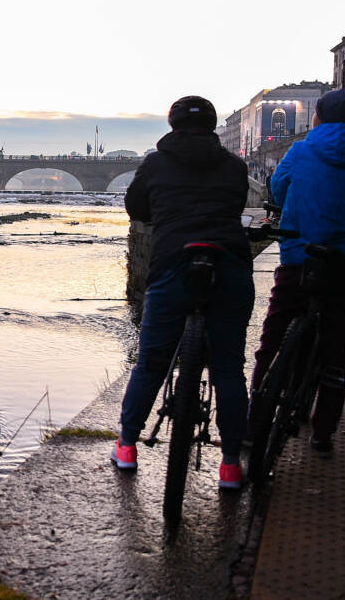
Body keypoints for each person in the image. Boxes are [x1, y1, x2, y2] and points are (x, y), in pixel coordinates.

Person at [112, 95, 253, 489]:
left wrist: (165, 213)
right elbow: (237, 203)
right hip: (228, 264)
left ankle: (126, 445)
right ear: (212, 127)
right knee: (228, 368)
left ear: (172, 125)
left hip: (173, 263)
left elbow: (136, 207)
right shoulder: (235, 165)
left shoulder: (156, 163)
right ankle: (228, 466)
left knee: (152, 362)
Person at [251, 87, 345, 455]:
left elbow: (277, 187)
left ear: (317, 118)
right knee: (337, 347)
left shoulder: (301, 149)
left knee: (273, 339)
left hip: (300, 255)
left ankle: (252, 421)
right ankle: (323, 434)